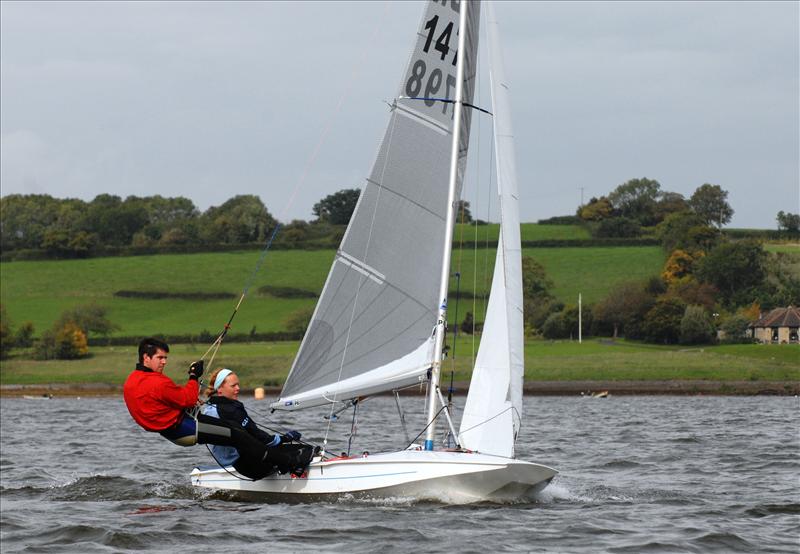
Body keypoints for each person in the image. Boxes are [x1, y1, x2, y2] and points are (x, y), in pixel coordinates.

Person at [123, 337, 303, 477]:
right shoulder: (155, 381)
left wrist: (185, 406)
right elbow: (187, 399)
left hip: (179, 427)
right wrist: (193, 376)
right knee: (237, 434)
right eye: (160, 358)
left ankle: (272, 460)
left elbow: (156, 405)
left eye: (165, 358)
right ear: (146, 358)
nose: (164, 362)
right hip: (186, 430)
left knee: (234, 430)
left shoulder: (132, 380)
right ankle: (288, 462)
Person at [202, 367, 315, 479]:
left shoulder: (210, 409)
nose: (238, 388)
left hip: (240, 465)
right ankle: (295, 472)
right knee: (306, 450)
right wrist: (285, 438)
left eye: (238, 385)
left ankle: (287, 468)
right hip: (254, 466)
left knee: (281, 450)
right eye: (233, 386)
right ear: (219, 389)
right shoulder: (230, 410)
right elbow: (259, 437)